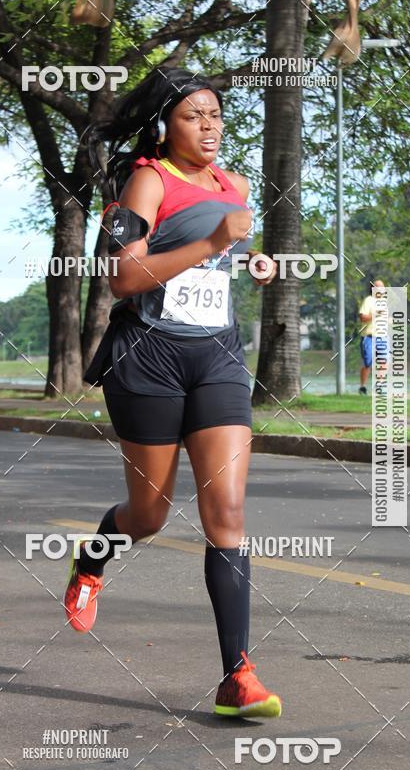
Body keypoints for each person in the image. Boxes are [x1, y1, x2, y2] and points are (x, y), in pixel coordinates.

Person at [64, 67, 282, 718]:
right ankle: (93, 559)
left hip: (216, 356)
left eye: (216, 114)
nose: (210, 125)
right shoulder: (149, 181)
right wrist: (216, 241)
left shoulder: (232, 184)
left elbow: (225, 253)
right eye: (194, 115)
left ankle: (237, 677)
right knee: (150, 516)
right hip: (148, 358)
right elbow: (124, 277)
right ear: (166, 124)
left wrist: (253, 260)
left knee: (229, 515)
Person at [358, 278, 387, 395]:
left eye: (383, 287)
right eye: (379, 287)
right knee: (367, 363)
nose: (382, 289)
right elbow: (362, 317)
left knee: (384, 361)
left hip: (382, 337)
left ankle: (379, 385)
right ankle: (362, 386)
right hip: (369, 337)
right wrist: (376, 314)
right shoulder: (368, 300)